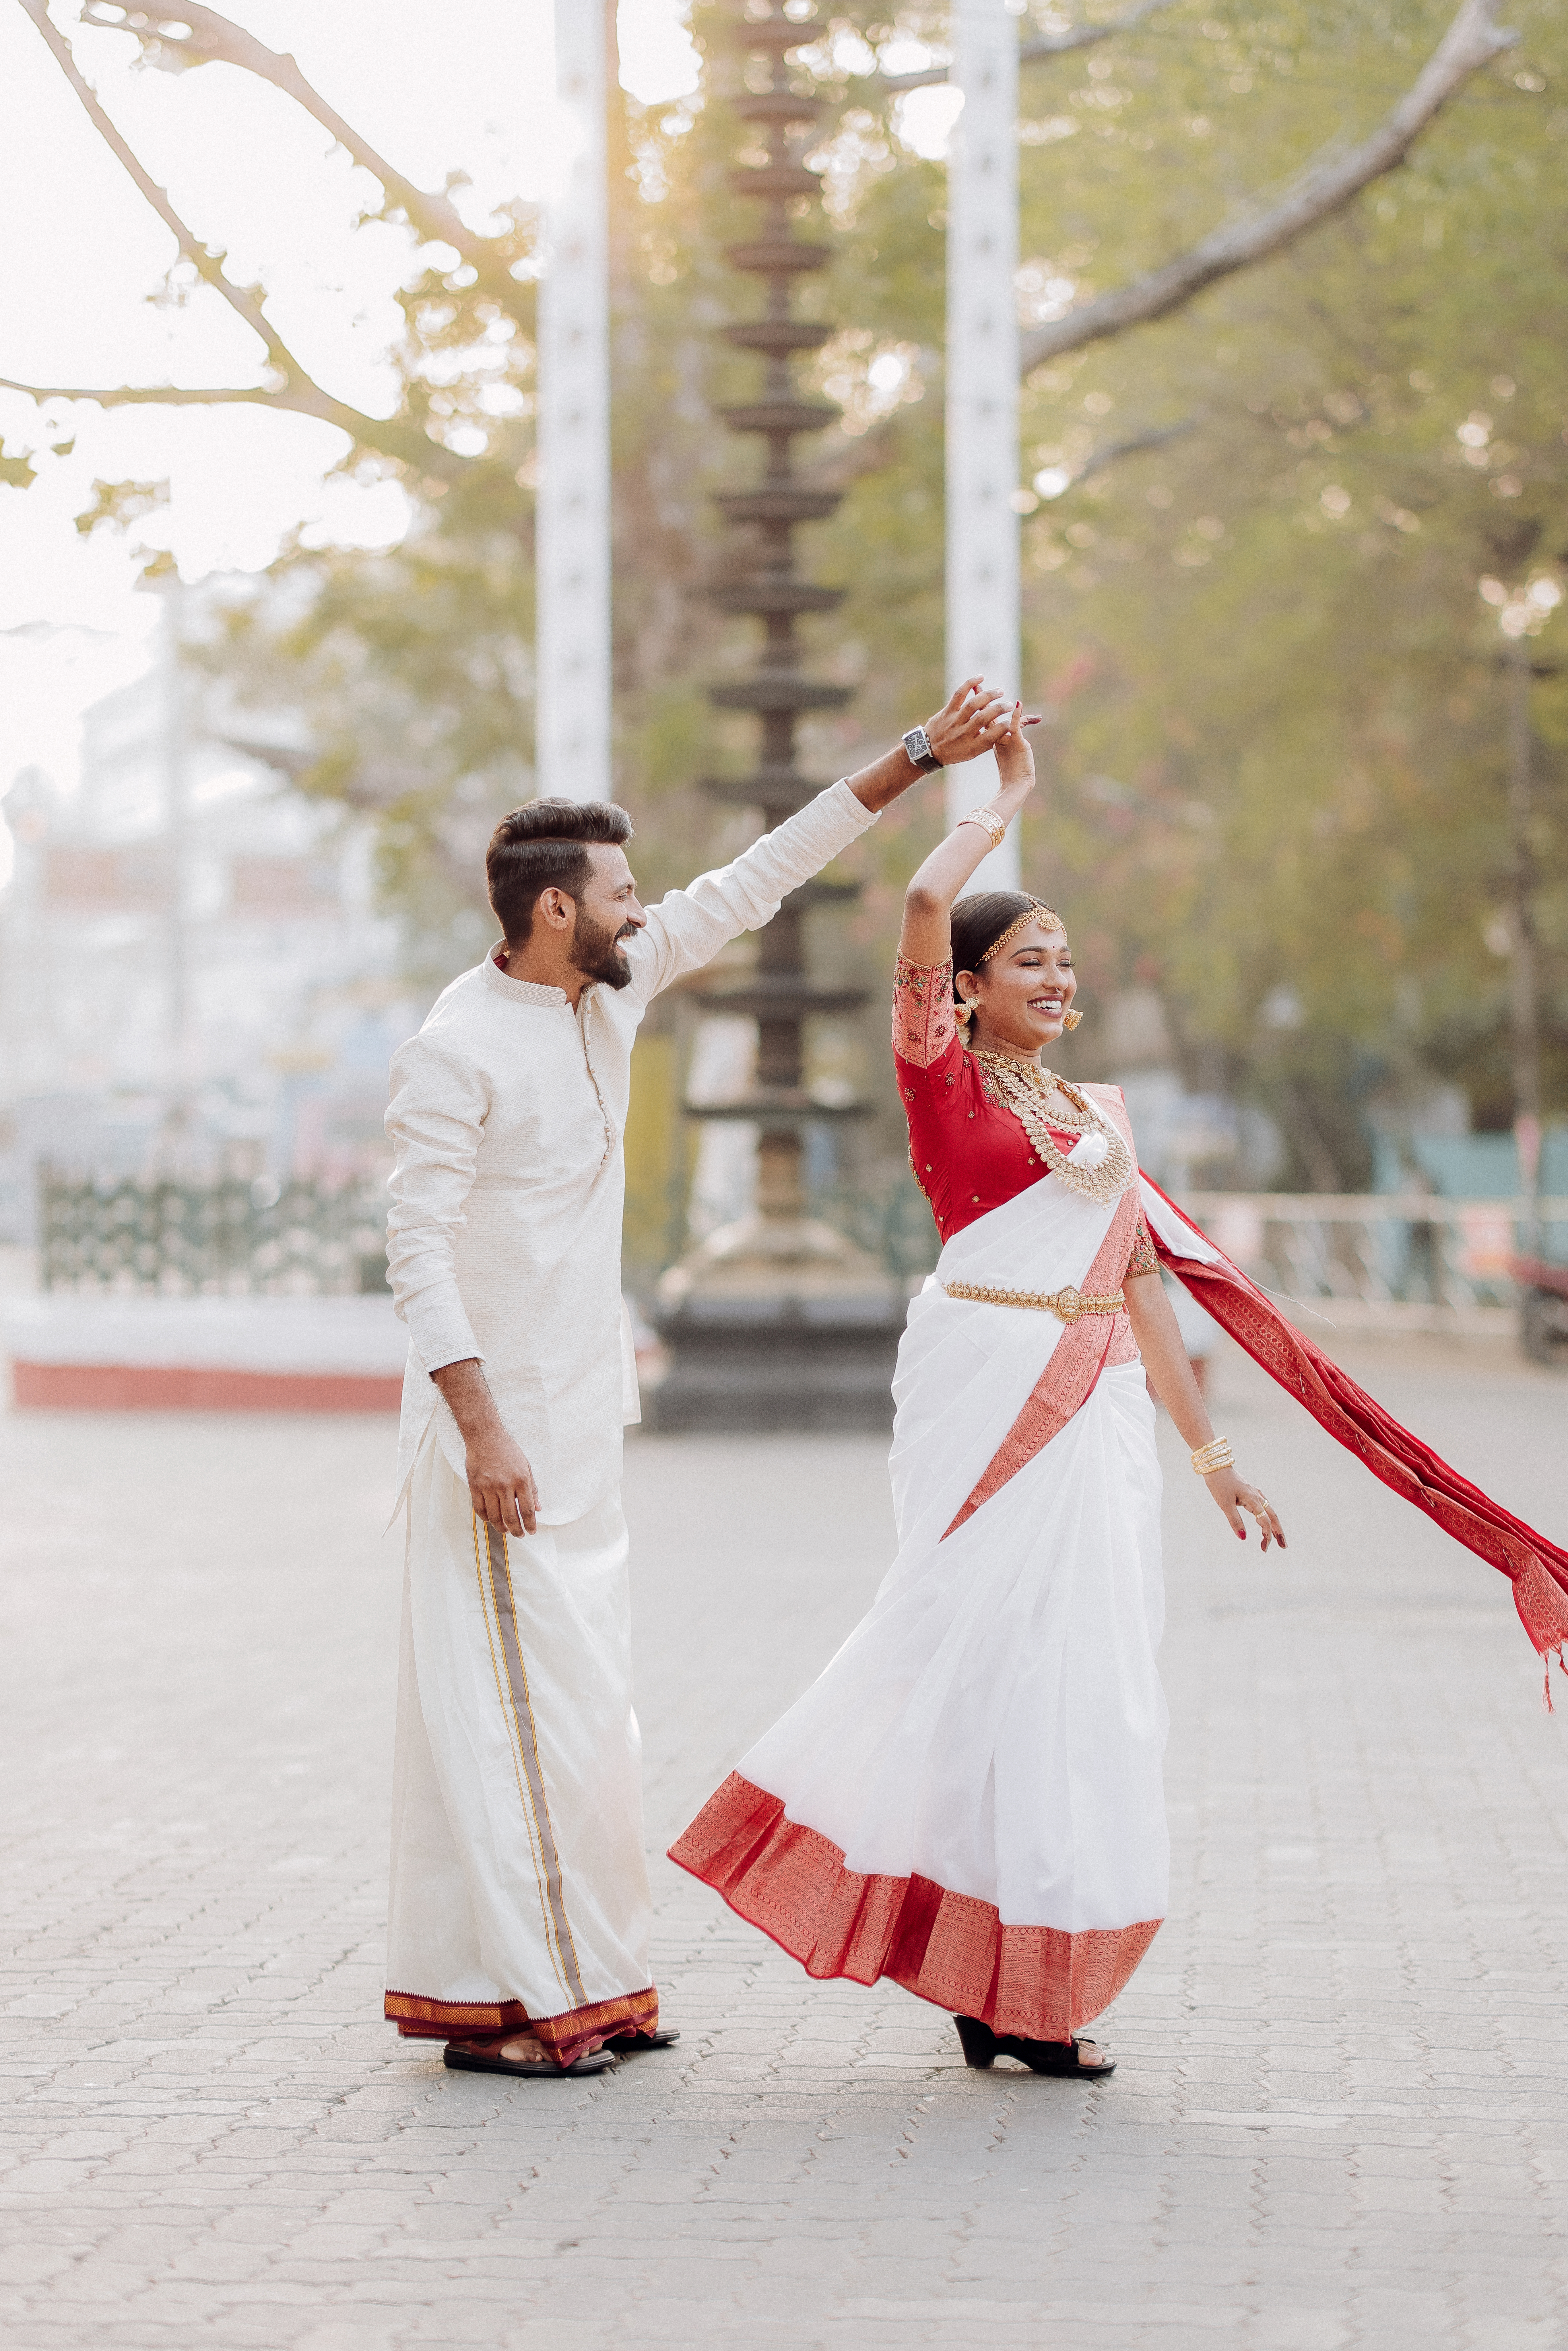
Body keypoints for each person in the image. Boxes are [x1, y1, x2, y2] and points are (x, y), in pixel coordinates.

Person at [381, 681, 1017, 2079]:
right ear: (557, 910)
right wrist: (480, 1426)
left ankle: (599, 1973)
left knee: (591, 1712)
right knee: (518, 1712)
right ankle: (538, 2008)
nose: (642, 902)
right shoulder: (455, 1049)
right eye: (619, 889)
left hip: (582, 1429)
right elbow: (413, 1254)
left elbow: (767, 869)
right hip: (499, 1446)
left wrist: (919, 756)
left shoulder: (612, 992)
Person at [670, 701, 1285, 2079]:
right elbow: (921, 891)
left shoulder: (1099, 1118)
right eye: (1027, 960)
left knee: (1086, 1684)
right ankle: (977, 1966)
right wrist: (997, 790)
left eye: (1066, 959)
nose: (1056, 978)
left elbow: (1140, 1289)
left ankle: (1033, 1983)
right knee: (975, 1661)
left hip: (1101, 1414)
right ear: (965, 986)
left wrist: (1214, 1458)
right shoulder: (943, 1082)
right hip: (983, 1389)